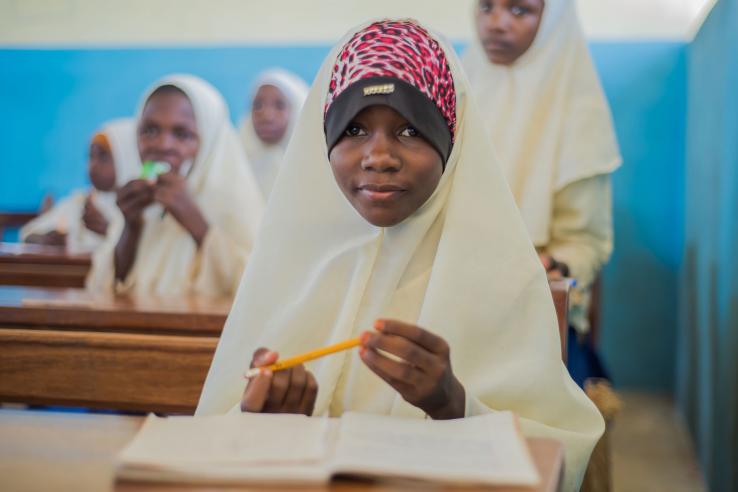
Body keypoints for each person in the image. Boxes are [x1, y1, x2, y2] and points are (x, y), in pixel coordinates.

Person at [197, 19, 603, 491]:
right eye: (353, 128)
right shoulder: (290, 274)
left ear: (451, 140)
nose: (379, 156)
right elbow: (212, 435)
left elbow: (560, 456)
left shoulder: (502, 280)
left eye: (410, 129)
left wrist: (456, 405)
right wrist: (261, 421)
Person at [463, 0, 622, 384]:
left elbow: (586, 244)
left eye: (520, 11)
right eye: (486, 7)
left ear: (553, 21)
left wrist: (555, 265)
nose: (497, 23)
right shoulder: (459, 89)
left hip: (538, 315)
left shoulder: (579, 112)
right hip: (461, 298)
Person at [86, 75, 264, 297]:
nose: (162, 145)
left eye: (182, 134)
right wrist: (131, 227)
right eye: (149, 131)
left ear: (209, 141)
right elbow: (101, 289)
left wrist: (195, 221)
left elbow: (257, 291)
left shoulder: (234, 206)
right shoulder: (144, 208)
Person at [21, 119, 140, 254]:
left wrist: (108, 230)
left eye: (103, 156)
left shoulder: (137, 206)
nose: (93, 165)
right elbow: (29, 235)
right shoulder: (80, 202)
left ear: (127, 157)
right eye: (90, 156)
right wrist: (46, 240)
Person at [239, 68, 309, 199]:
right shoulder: (235, 167)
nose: (266, 116)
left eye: (279, 105)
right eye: (258, 105)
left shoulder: (315, 168)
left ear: (298, 111)